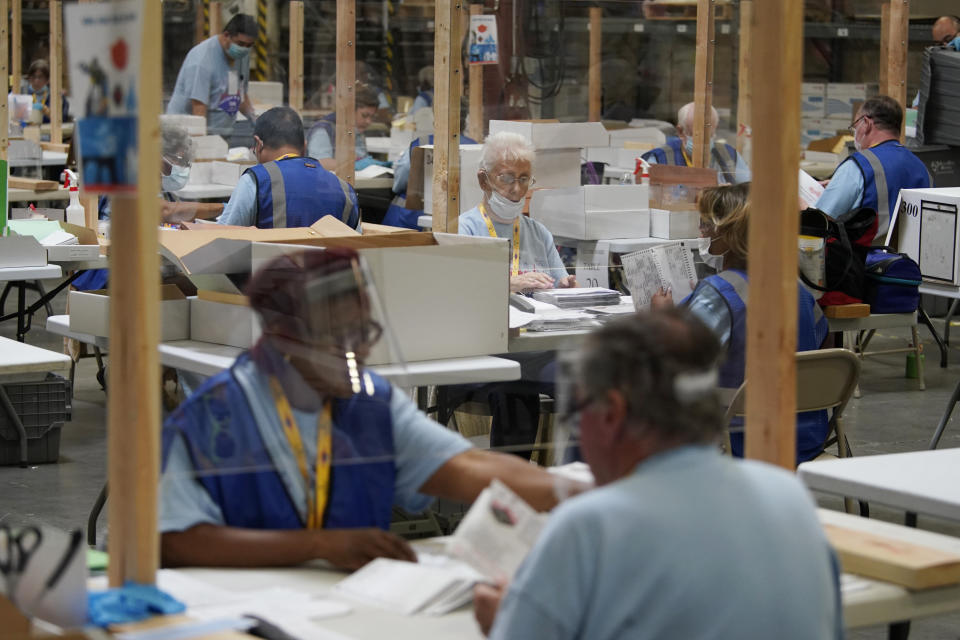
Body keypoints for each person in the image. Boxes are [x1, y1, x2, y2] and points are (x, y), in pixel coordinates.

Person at [159, 248, 577, 569]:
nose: (359, 350)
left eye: (365, 332)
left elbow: (468, 469)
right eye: (341, 337)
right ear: (285, 339)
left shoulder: (367, 403)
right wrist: (318, 546)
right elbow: (175, 540)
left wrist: (577, 493)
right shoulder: (214, 416)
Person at [474, 308, 843, 639]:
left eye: (580, 410)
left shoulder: (590, 527)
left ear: (612, 413)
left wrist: (503, 621)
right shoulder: (790, 496)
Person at [653, 183, 829, 463]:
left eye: (708, 224)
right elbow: (821, 346)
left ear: (731, 233)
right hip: (803, 440)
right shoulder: (798, 290)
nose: (703, 231)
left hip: (736, 440)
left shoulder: (720, 292)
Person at [74, 122, 196, 290]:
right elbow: (164, 211)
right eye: (177, 159)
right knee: (199, 289)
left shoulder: (161, 188)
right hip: (116, 274)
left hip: (144, 267)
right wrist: (222, 207)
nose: (181, 166)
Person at [459, 131, 575, 292]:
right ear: (483, 181)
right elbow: (460, 288)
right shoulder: (463, 230)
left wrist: (567, 288)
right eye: (507, 178)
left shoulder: (539, 234)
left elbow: (560, 283)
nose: (517, 189)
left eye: (524, 179)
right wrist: (509, 283)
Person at [210, 106, 360, 229]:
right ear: (304, 146)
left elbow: (225, 237)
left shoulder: (256, 181)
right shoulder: (345, 190)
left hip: (268, 265)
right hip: (328, 266)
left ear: (258, 144)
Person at [815, 95, 932, 243]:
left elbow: (821, 220)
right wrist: (839, 183)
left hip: (865, 262)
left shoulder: (858, 165)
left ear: (866, 123)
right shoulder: (923, 168)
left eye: (855, 126)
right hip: (909, 263)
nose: (855, 132)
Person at [166, 14, 258, 139]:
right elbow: (198, 109)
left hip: (221, 133)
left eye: (249, 45)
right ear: (226, 35)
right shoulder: (202, 60)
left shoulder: (241, 55)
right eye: (241, 44)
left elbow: (240, 94)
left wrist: (255, 120)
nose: (244, 49)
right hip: (185, 135)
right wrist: (203, 145)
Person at [641, 102, 751, 184]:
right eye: (697, 136)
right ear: (680, 132)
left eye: (710, 135)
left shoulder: (729, 155)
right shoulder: (659, 159)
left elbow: (750, 191)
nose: (705, 143)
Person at [306, 83, 388, 173]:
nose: (369, 121)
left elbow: (361, 159)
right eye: (364, 115)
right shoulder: (323, 130)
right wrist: (353, 165)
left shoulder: (356, 131)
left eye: (372, 117)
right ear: (349, 111)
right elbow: (321, 163)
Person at [25, 59, 69, 124]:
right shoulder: (23, 96)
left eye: (40, 77)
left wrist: (47, 112)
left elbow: (63, 119)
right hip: (28, 133)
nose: (36, 81)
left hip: (51, 133)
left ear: (47, 80)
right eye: (33, 77)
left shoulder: (58, 97)